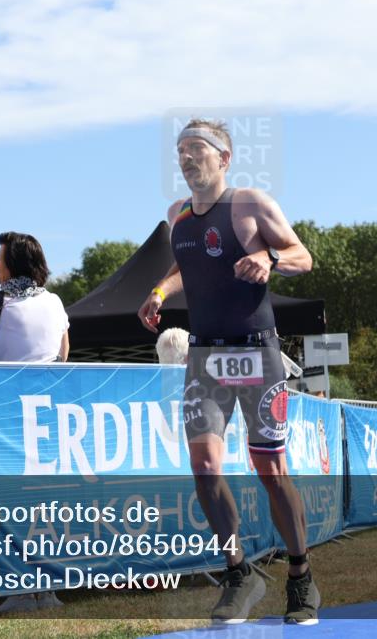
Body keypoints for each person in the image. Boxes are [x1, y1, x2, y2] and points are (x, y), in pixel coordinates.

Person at [136, 119, 317, 625]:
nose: (187, 158)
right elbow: (185, 270)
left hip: (258, 353)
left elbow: (303, 255)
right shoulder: (177, 216)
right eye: (180, 150)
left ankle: (301, 576)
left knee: (271, 471)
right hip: (205, 356)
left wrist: (268, 256)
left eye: (196, 148)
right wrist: (158, 293)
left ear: (225, 157)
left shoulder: (251, 203)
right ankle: (239, 571)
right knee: (206, 468)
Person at [0, 232, 69, 363]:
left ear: (13, 263)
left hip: (8, 382)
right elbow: (63, 353)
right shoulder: (54, 301)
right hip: (49, 382)